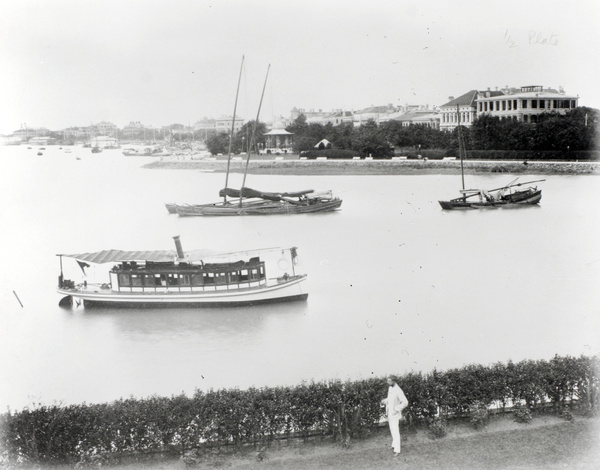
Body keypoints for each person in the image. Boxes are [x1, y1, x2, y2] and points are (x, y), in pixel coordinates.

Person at [381, 375, 409, 456]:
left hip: (395, 414)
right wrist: (385, 401)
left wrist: (396, 409)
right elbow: (390, 399)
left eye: (389, 381)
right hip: (389, 413)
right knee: (392, 429)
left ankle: (397, 450)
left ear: (394, 381)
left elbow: (405, 402)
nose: (388, 382)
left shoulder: (398, 390)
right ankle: (394, 445)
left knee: (395, 431)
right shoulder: (390, 388)